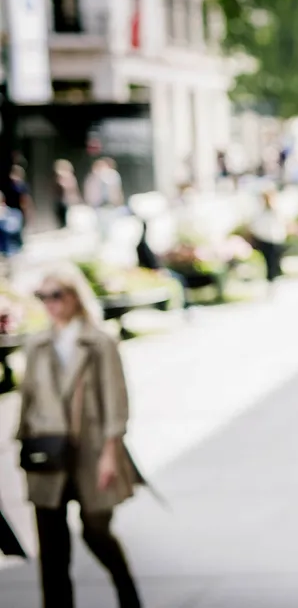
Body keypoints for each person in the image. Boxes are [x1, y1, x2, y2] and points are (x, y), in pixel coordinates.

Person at [16, 264, 144, 608]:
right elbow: (27, 401)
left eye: (56, 295)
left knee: (96, 531)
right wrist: (23, 445)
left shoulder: (99, 341)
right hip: (47, 456)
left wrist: (110, 453)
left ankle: (126, 588)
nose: (50, 303)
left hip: (90, 453)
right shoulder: (37, 344)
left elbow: (116, 402)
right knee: (53, 549)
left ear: (74, 296)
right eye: (43, 297)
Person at [249, 189, 288, 295]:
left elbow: (282, 222)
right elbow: (255, 225)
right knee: (269, 263)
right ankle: (271, 285)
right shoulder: (260, 211)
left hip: (276, 240)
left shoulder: (276, 210)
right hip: (265, 240)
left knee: (277, 262)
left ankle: (277, 282)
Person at [53, 159, 81, 229]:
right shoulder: (57, 178)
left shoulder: (69, 178)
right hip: (59, 200)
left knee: (68, 216)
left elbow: (72, 189)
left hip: (67, 200)